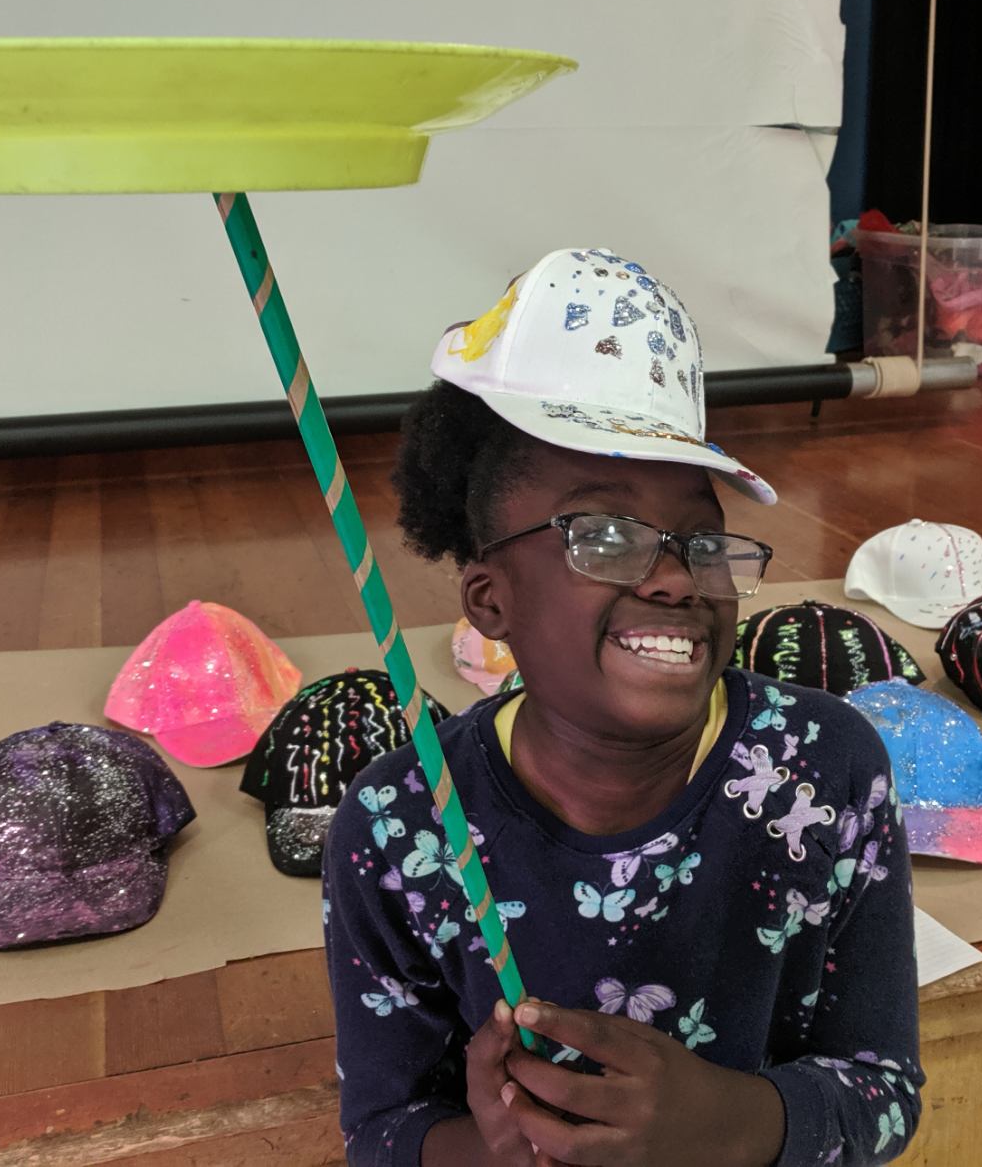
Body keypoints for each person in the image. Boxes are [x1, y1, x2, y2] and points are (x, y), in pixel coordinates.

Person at [323, 250, 921, 1167]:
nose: (677, 578)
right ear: (490, 600)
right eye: (603, 534)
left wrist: (722, 1123)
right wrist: (492, 1148)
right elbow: (382, 1133)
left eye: (702, 538)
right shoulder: (400, 822)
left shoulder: (823, 766)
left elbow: (883, 1092)